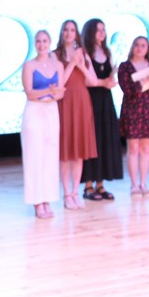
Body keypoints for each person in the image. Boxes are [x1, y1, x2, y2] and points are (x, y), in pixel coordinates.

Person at [20, 30, 66, 218]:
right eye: (38, 41)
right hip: (34, 112)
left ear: (50, 42)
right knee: (34, 156)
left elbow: (60, 92)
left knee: (50, 156)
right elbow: (30, 93)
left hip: (51, 111)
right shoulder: (29, 65)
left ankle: (47, 199)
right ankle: (37, 201)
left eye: (45, 41)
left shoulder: (58, 65)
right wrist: (49, 90)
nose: (42, 44)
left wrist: (54, 92)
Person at [54, 20, 98, 209]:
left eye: (72, 30)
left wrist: (80, 65)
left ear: (76, 33)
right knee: (66, 153)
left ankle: (74, 192)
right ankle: (66, 194)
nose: (69, 33)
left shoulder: (83, 53)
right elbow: (60, 82)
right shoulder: (55, 55)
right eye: (66, 29)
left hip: (81, 102)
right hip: (65, 102)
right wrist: (72, 63)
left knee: (79, 152)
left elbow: (93, 81)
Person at [80, 19, 123, 200]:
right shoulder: (84, 52)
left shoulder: (107, 52)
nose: (102, 33)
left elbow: (110, 78)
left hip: (106, 100)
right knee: (92, 140)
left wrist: (112, 79)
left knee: (104, 139)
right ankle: (88, 185)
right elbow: (86, 79)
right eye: (98, 30)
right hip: (90, 100)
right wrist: (103, 82)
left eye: (103, 30)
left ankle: (100, 184)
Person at [117, 36, 149, 195]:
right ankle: (134, 184)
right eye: (137, 44)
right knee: (133, 148)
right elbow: (129, 90)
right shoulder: (125, 67)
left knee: (146, 148)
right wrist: (147, 79)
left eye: (143, 45)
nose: (140, 48)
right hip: (132, 109)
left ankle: (143, 183)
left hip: (148, 109)